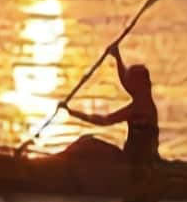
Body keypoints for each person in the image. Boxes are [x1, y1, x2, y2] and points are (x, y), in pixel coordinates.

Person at [63, 42, 161, 170]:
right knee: (87, 144)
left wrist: (74, 113)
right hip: (133, 158)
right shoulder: (143, 98)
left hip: (137, 163)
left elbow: (105, 120)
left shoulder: (139, 108)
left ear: (139, 84)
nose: (127, 84)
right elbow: (126, 81)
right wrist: (117, 56)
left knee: (88, 145)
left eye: (131, 80)